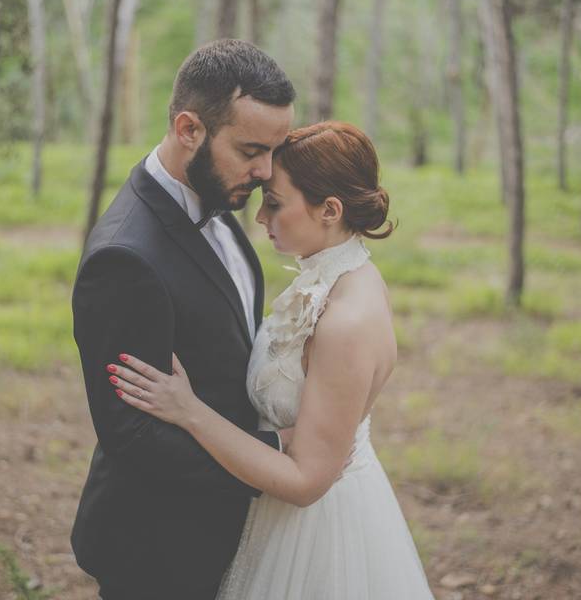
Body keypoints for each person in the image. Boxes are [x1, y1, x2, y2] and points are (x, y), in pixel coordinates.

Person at [110, 121, 436, 599]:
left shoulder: (346, 318)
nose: (261, 217)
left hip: (316, 536)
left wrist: (189, 411)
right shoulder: (336, 275)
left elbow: (306, 482)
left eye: (276, 203)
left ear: (329, 209)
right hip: (275, 518)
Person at [70, 39, 296, 600]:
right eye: (250, 150)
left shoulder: (216, 201)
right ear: (189, 128)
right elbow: (133, 434)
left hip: (223, 535)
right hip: (158, 551)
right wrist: (270, 461)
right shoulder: (124, 258)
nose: (266, 171)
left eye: (274, 150)